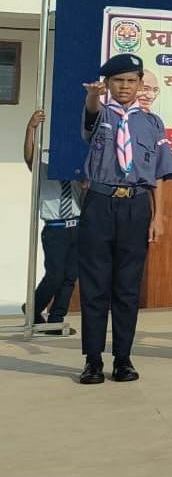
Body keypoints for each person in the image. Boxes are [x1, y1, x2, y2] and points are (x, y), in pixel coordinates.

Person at [76, 53, 172, 385]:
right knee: (95, 286)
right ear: (108, 85)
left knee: (127, 287)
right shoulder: (101, 113)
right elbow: (91, 117)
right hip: (100, 203)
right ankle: (93, 360)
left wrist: (158, 215)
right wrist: (92, 95)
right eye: (117, 81)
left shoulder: (152, 123)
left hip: (136, 206)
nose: (124, 87)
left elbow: (160, 174)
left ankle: (123, 358)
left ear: (139, 85)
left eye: (131, 81)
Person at [25, 109, 83, 325]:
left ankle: (57, 317)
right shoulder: (44, 170)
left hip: (77, 226)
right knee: (55, 275)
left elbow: (83, 199)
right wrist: (31, 128)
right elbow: (29, 156)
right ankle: (33, 308)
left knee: (70, 277)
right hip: (55, 228)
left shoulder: (77, 173)